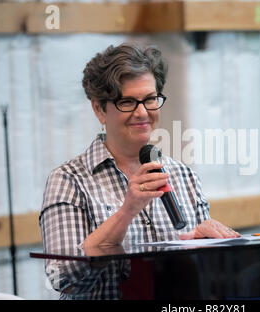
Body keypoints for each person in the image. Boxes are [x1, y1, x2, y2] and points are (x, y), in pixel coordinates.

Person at [39, 43, 240, 299]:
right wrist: (127, 211)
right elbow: (63, 278)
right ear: (99, 109)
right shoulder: (68, 180)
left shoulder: (184, 176)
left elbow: (202, 279)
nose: (142, 112)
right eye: (127, 102)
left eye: (150, 99)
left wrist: (206, 245)